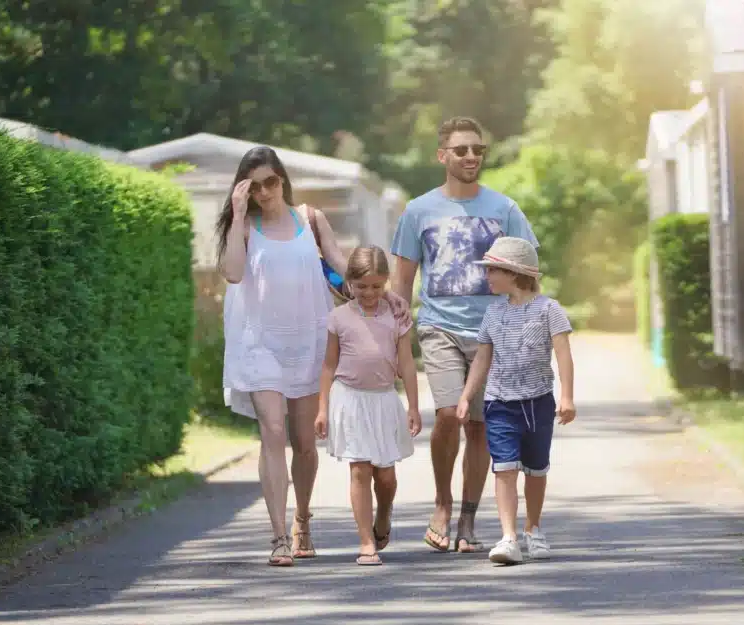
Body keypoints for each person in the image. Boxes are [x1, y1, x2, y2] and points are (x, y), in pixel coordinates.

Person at [216, 145, 409, 567]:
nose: (266, 192)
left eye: (271, 182)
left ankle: (302, 517)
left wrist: (385, 296)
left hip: (308, 341)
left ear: (282, 179)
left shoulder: (310, 219)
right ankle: (279, 536)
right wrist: (234, 212)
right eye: (256, 186)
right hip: (260, 342)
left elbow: (344, 271)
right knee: (273, 432)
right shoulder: (245, 226)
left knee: (305, 442)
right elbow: (232, 273)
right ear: (246, 190)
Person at [390, 116, 540, 554]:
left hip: (492, 333)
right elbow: (402, 284)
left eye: (478, 149)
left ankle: (469, 516)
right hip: (439, 326)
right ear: (443, 156)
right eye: (461, 150)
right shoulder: (419, 211)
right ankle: (441, 502)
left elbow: (528, 274)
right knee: (448, 415)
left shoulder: (505, 209)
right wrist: (394, 340)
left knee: (479, 427)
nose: (471, 156)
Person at [456, 237, 576, 565]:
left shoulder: (549, 310)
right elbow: (482, 358)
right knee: (505, 468)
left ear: (514, 272)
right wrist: (467, 396)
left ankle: (533, 528)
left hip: (538, 401)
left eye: (493, 270)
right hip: (500, 403)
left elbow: (564, 355)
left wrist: (566, 396)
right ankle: (508, 537)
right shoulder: (493, 313)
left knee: (536, 469)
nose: (488, 276)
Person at [315, 246, 422, 566]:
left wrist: (413, 407)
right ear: (349, 283)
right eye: (361, 286)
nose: (369, 293)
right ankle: (365, 542)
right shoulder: (338, 318)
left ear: (386, 283)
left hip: (384, 399)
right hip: (349, 399)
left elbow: (407, 363)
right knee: (359, 469)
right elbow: (328, 366)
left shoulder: (396, 317)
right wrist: (322, 408)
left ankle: (384, 514)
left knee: (385, 476)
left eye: (377, 286)